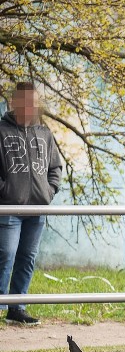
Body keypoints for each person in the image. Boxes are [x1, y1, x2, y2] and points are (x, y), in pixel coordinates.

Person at [0, 82, 63, 326]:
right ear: (14, 102)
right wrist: (4, 191)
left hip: (37, 209)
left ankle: (17, 308)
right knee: (5, 255)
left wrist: (49, 191)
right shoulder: (2, 131)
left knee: (27, 258)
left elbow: (55, 168)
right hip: (9, 209)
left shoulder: (44, 133)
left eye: (34, 102)